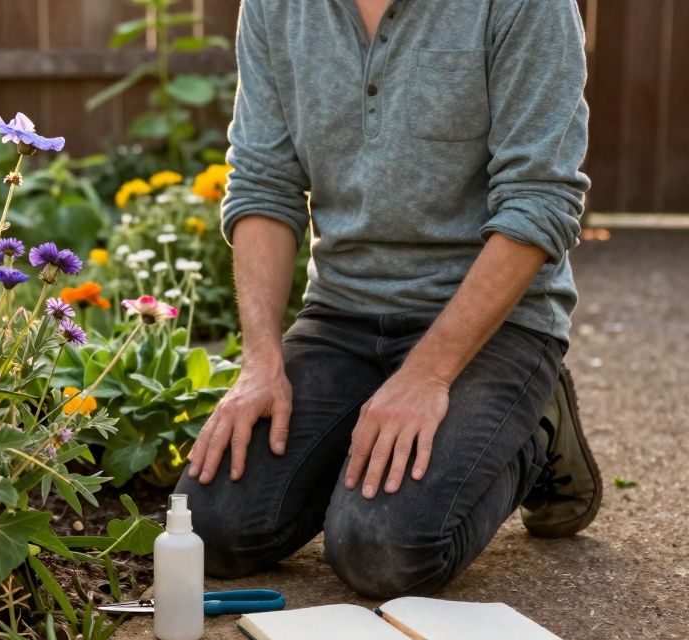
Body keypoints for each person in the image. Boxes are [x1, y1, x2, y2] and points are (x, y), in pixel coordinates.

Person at [179, 0, 602, 599]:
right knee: (208, 528)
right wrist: (260, 363)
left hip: (495, 324)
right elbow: (264, 182)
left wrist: (427, 375)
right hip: (342, 314)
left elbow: (540, 200)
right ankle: (377, 427)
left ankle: (534, 436)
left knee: (383, 550)